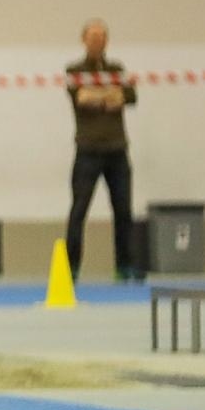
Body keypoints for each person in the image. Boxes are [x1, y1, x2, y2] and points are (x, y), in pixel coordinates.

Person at [65, 18, 140, 282]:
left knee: (124, 211)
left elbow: (129, 97)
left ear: (107, 41)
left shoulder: (117, 68)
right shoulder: (74, 70)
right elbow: (81, 97)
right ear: (83, 40)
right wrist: (109, 95)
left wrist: (102, 95)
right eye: (92, 37)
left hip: (117, 150)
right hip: (87, 150)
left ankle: (125, 265)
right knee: (79, 210)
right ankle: (71, 268)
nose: (97, 41)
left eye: (102, 37)